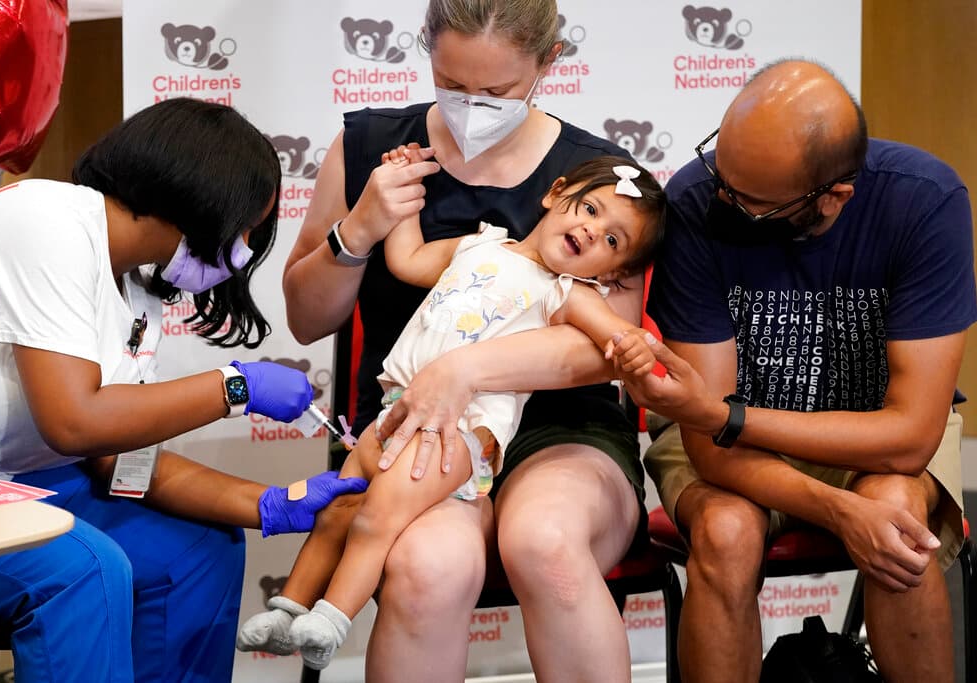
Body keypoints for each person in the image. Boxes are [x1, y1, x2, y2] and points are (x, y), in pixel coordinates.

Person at [281, 1, 652, 680]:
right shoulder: (371, 148)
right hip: (417, 428)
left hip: (559, 431)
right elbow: (306, 319)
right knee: (428, 567)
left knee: (545, 541)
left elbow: (602, 347)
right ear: (426, 48)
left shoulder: (600, 185)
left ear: (550, 62)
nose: (471, 106)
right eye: (452, 84)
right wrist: (358, 230)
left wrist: (467, 369)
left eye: (498, 92)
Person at [0, 97, 367, 683]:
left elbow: (115, 460)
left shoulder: (137, 292)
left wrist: (271, 503)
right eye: (248, 225)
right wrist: (236, 388)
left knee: (200, 551)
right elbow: (74, 423)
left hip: (26, 486)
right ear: (204, 200)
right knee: (86, 569)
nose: (244, 245)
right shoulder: (44, 220)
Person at [611, 59, 977, 683]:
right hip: (725, 445)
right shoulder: (697, 204)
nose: (721, 200)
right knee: (726, 533)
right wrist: (837, 510)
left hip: (868, 440)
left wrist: (733, 417)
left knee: (897, 521)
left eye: (750, 203)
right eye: (720, 172)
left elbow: (911, 434)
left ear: (834, 196)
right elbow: (711, 443)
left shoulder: (925, 202)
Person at [239, 154, 664, 669]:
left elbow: (615, 340)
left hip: (457, 434)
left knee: (377, 519)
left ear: (613, 273)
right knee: (338, 512)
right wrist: (406, 195)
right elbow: (406, 258)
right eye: (590, 209)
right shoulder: (479, 242)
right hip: (397, 411)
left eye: (613, 241)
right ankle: (289, 611)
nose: (592, 231)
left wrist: (635, 347)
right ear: (556, 193)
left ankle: (332, 618)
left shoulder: (567, 293)